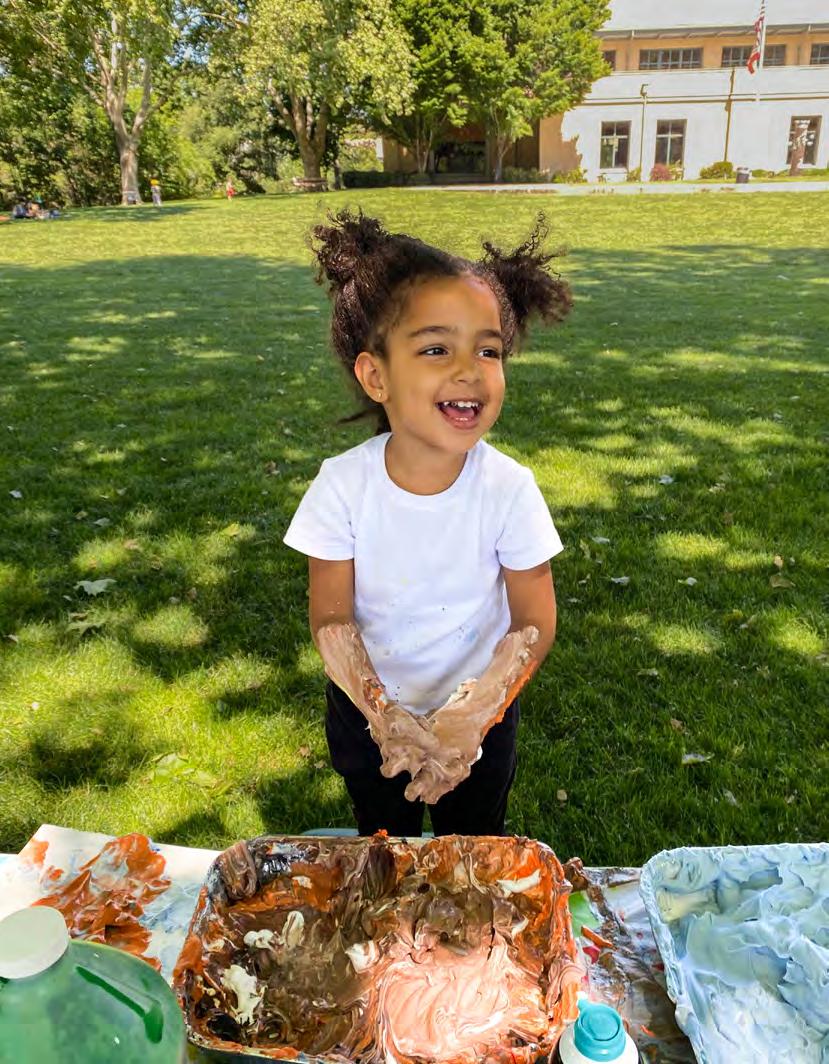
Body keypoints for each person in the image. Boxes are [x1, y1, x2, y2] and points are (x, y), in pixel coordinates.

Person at [283, 209, 572, 837]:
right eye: (437, 348)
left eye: (488, 350)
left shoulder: (508, 489)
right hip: (365, 714)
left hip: (483, 719)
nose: (469, 370)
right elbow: (331, 620)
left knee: (472, 849)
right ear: (376, 375)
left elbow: (534, 620)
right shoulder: (342, 487)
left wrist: (474, 715)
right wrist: (382, 715)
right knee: (384, 844)